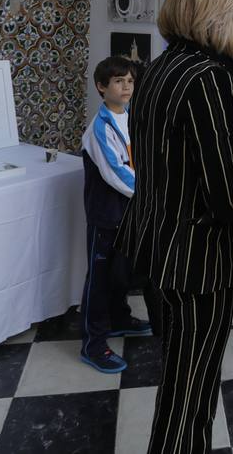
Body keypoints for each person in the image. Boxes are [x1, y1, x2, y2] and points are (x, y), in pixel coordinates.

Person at [116, 0, 233, 454]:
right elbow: (228, 193)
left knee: (181, 380)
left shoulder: (157, 68)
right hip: (198, 263)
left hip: (158, 250)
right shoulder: (210, 79)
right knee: (190, 392)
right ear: (214, 11)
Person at [79, 56, 152, 374]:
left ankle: (119, 319)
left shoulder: (132, 117)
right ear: (101, 87)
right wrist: (153, 195)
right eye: (118, 81)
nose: (126, 87)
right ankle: (93, 344)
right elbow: (117, 174)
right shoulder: (100, 128)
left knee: (120, 272)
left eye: (130, 81)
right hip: (106, 217)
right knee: (99, 280)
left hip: (128, 214)